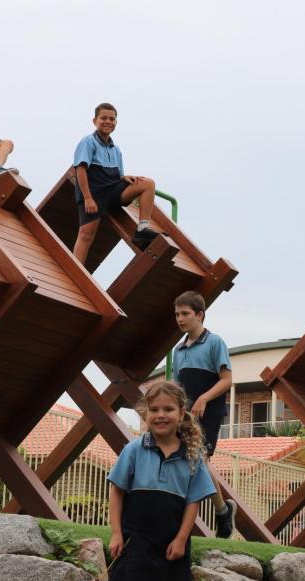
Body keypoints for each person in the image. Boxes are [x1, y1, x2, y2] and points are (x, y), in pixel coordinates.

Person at [69, 381, 216, 581]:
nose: (161, 415)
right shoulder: (135, 449)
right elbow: (117, 490)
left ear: (181, 412)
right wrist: (116, 533)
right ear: (145, 413)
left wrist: (181, 538)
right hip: (136, 537)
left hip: (170, 544)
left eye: (168, 409)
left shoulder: (192, 457)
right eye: (155, 409)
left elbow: (193, 502)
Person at [172, 290, 237, 538]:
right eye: (177, 314)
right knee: (183, 461)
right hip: (185, 414)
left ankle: (221, 513)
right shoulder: (178, 351)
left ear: (200, 315)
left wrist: (204, 398)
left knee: (199, 459)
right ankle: (222, 511)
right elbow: (177, 387)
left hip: (209, 413)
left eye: (185, 314)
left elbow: (227, 380)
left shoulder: (214, 342)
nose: (180, 318)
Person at [72, 102, 160, 266]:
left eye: (112, 119)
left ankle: (142, 228)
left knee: (147, 183)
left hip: (112, 191)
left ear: (116, 123)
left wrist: (124, 177)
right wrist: (88, 198)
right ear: (94, 121)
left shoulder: (116, 149)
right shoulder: (88, 141)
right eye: (103, 118)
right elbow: (81, 171)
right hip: (94, 194)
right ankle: (75, 270)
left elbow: (117, 176)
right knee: (86, 235)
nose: (108, 122)